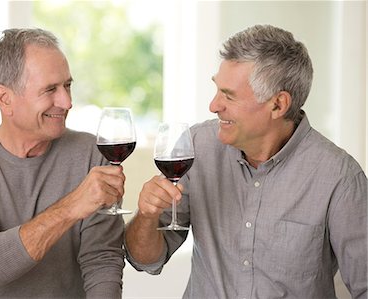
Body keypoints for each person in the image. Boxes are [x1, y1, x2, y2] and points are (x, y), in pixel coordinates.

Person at [125, 24, 367, 298]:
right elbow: (146, 259)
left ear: (278, 104)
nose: (213, 105)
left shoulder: (340, 178)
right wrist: (146, 216)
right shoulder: (196, 148)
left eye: (229, 95)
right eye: (217, 90)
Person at [0, 28, 125, 298]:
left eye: (67, 86)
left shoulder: (92, 154)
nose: (67, 102)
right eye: (50, 90)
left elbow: (102, 261)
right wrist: (71, 207)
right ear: (5, 99)